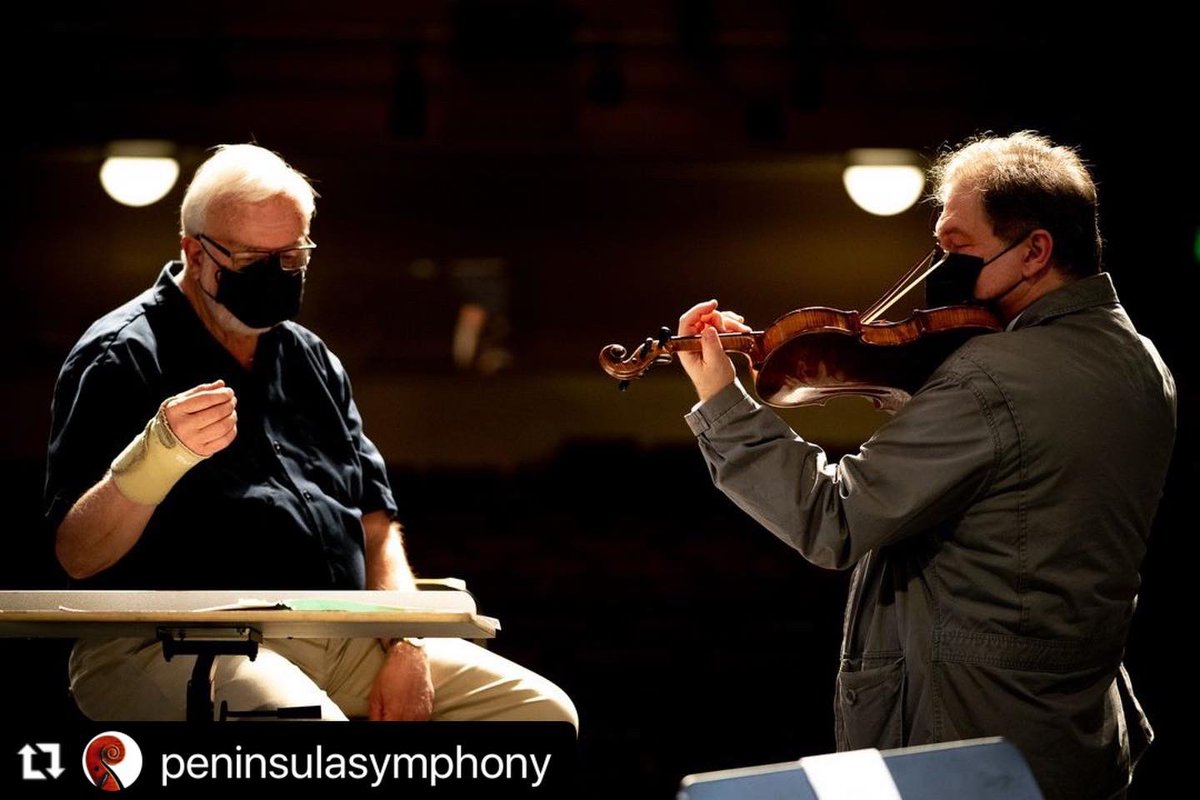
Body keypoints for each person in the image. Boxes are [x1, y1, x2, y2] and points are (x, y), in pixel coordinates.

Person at [675, 132, 1173, 800]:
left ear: (1035, 251)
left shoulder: (993, 376)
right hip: (1074, 732)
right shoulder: (1142, 361)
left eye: (959, 248)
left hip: (967, 739)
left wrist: (720, 400)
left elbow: (833, 520)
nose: (941, 269)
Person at [45, 143, 577, 726]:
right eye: (252, 259)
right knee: (309, 734)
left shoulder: (310, 359)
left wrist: (406, 642)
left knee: (540, 717)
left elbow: (376, 528)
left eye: (292, 257)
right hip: (170, 642)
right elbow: (78, 557)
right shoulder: (120, 355)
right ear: (194, 253)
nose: (275, 276)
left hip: (338, 634)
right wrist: (157, 459)